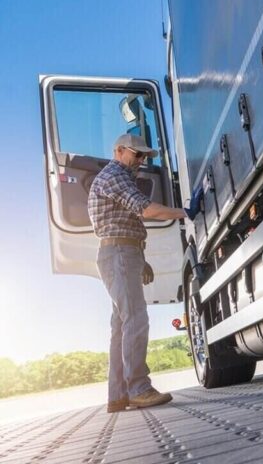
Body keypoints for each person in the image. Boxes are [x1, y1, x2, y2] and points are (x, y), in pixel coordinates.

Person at [88, 134, 188, 413]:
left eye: (145, 156)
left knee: (121, 326)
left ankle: (118, 395)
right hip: (119, 254)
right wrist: (186, 212)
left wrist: (140, 260)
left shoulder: (119, 177)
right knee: (135, 319)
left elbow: (124, 224)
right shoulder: (115, 175)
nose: (141, 161)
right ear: (118, 150)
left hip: (120, 252)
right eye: (137, 154)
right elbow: (147, 210)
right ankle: (139, 388)